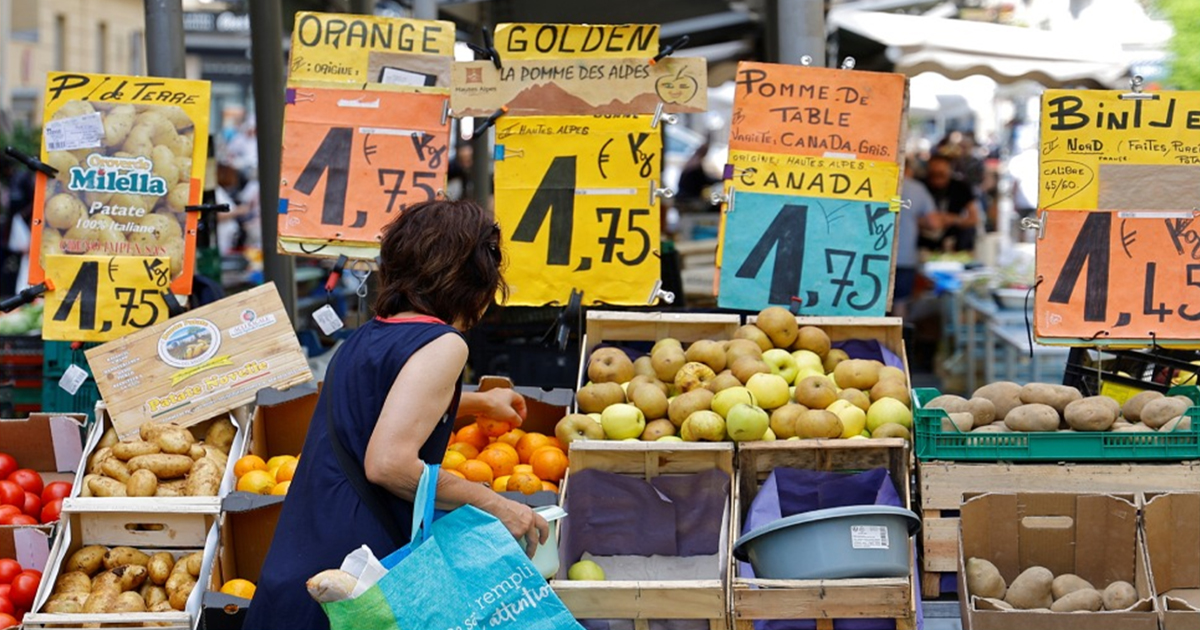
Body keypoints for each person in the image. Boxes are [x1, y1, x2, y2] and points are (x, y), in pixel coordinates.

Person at [245, 200, 549, 630]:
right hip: (357, 582)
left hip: (301, 564)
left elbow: (383, 409)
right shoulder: (444, 343)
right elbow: (388, 463)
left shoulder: (364, 338)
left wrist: (479, 404)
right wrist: (498, 505)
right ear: (475, 276)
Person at [893, 158, 937, 318]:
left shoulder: (875, 182)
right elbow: (933, 223)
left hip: (873, 256)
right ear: (909, 170)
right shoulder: (917, 189)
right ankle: (899, 342)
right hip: (904, 257)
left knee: (870, 307)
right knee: (900, 305)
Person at [920, 154, 979, 252]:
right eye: (933, 174)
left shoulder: (961, 188)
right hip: (923, 244)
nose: (937, 179)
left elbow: (974, 218)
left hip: (954, 244)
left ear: (949, 171)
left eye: (941, 174)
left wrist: (953, 219)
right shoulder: (921, 186)